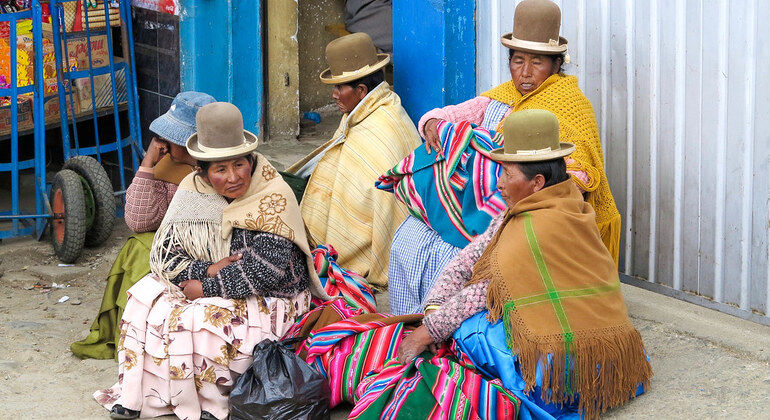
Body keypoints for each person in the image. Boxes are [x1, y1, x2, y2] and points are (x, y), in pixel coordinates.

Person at [395, 110, 652, 420]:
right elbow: (466, 260)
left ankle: (539, 387)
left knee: (469, 330)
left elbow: (484, 292)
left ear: (537, 182)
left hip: (573, 361)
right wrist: (434, 306)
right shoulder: (556, 203)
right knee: (459, 317)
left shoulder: (538, 226)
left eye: (507, 174)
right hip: (608, 352)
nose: (499, 183)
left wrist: (426, 333)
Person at [94, 102, 331, 420]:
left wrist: (204, 288)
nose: (233, 177)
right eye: (220, 170)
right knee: (144, 296)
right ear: (202, 173)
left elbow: (263, 272)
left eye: (239, 165)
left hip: (272, 299)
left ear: (251, 161)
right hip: (217, 279)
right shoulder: (193, 193)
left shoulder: (273, 195)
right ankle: (139, 395)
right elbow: (168, 257)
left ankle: (211, 403)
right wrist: (206, 269)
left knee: (199, 319)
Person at [387, 0, 620, 314]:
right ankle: (412, 318)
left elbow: (579, 176)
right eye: (517, 60)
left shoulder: (570, 105)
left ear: (556, 65)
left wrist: (528, 191)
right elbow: (446, 114)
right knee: (409, 236)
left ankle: (443, 323)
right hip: (484, 202)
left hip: (530, 209)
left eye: (537, 62)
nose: (525, 73)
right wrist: (432, 124)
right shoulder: (503, 96)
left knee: (465, 256)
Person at [71, 91, 216, 360]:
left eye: (171, 138)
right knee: (138, 248)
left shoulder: (224, 167)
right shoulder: (167, 167)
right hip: (174, 247)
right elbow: (138, 221)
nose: (163, 142)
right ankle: (132, 336)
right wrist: (148, 163)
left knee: (141, 251)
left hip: (212, 251)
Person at [287, 32, 420, 288]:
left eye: (340, 88)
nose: (334, 95)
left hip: (379, 239)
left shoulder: (380, 126)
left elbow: (374, 200)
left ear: (361, 91)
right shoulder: (376, 108)